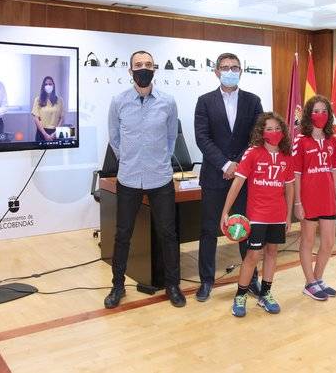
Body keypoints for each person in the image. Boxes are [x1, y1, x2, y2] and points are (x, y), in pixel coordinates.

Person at [104, 50, 185, 309]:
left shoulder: (167, 102)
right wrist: (128, 159)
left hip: (160, 177)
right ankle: (117, 286)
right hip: (128, 178)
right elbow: (115, 139)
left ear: (154, 69)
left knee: (168, 234)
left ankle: (173, 285)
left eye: (148, 64)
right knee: (122, 235)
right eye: (138, 65)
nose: (143, 68)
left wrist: (158, 159)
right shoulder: (118, 101)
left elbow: (171, 138)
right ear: (130, 71)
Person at [194, 52, 263, 302]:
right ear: (216, 72)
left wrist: (239, 165)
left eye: (235, 67)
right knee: (208, 230)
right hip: (214, 175)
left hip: (244, 178)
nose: (230, 71)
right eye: (225, 67)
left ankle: (251, 280)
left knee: (245, 228)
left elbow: (257, 137)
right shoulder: (205, 101)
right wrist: (225, 164)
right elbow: (202, 138)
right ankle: (206, 281)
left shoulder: (253, 101)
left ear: (241, 71)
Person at [221, 112, 294, 317]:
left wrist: (288, 215)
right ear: (261, 132)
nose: (274, 132)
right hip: (257, 215)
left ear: (283, 131)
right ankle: (240, 296)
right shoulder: (252, 153)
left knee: (272, 253)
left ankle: (265, 294)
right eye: (269, 129)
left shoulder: (286, 156)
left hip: (278, 214)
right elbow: (237, 183)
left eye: (277, 128)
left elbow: (289, 187)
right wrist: (225, 212)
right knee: (253, 255)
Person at [293, 95, 336, 301]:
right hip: (308, 198)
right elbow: (296, 174)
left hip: (328, 197)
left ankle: (317, 278)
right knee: (308, 240)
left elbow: (335, 171)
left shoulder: (332, 140)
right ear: (308, 114)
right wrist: (297, 202)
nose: (320, 115)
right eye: (315, 111)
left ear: (329, 115)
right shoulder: (300, 140)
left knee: (329, 242)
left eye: (324, 111)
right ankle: (310, 282)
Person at [31, 76, 64, 142]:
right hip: (42, 132)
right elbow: (36, 118)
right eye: (46, 84)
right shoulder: (38, 100)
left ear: (53, 86)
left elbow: (62, 118)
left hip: (55, 133)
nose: (48, 86)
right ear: (43, 86)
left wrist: (55, 133)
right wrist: (45, 134)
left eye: (50, 84)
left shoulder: (60, 100)